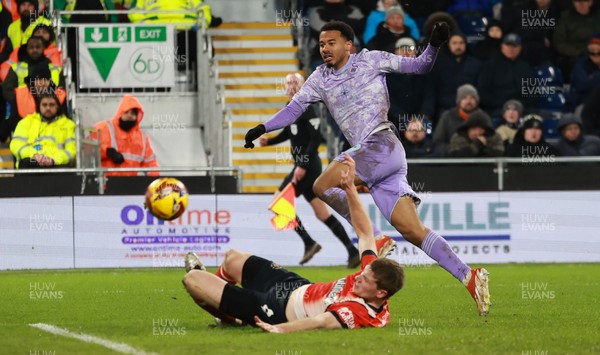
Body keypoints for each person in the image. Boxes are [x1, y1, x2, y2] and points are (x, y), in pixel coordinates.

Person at [244, 21, 491, 316]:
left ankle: (372, 237)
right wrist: (262, 127)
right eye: (322, 44)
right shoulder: (320, 78)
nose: (325, 49)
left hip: (379, 144)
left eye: (331, 42)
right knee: (413, 231)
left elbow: (421, 66)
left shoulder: (371, 59)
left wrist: (434, 45)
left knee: (321, 186)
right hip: (384, 158)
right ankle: (469, 276)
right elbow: (293, 110)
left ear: (349, 44)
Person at [182, 153, 406, 331]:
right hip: (297, 287)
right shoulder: (370, 277)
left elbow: (320, 323)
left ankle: (231, 316)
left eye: (365, 280)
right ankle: (228, 314)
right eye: (363, 273)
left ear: (380, 294)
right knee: (233, 258)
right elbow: (365, 233)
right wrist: (349, 189)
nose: (360, 276)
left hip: (277, 311)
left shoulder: (359, 311)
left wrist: (282, 329)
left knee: (194, 280)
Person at [258, 73, 361, 268]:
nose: (292, 86)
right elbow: (290, 133)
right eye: (288, 83)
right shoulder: (291, 108)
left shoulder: (307, 107)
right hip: (305, 166)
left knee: (279, 203)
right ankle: (352, 251)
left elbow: (315, 139)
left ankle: (309, 243)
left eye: (295, 82)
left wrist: (302, 166)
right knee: (321, 213)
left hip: (309, 165)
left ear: (303, 84)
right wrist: (269, 141)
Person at [91, 95, 159, 176]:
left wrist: (154, 184)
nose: (129, 115)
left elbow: (151, 165)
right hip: (105, 185)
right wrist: (107, 152)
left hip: (130, 185)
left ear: (137, 116)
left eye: (133, 113)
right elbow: (87, 151)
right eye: (126, 112)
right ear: (120, 112)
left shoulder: (142, 137)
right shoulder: (103, 128)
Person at [9, 93, 75, 168]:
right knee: (26, 163)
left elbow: (71, 151)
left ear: (58, 107)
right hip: (32, 162)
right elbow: (16, 145)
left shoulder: (69, 125)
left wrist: (52, 160)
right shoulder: (26, 122)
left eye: (52, 105)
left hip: (56, 164)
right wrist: (35, 155)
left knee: (65, 169)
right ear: (39, 106)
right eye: (44, 105)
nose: (48, 108)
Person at [429, 32, 482, 122]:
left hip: (470, 108)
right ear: (448, 44)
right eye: (454, 43)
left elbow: (480, 88)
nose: (458, 46)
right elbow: (432, 90)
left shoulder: (475, 64)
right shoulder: (438, 64)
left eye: (461, 43)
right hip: (445, 109)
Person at [477, 33, 534, 116]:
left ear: (520, 48)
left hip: (522, 109)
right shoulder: (490, 65)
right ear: (502, 46)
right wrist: (502, 105)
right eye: (508, 45)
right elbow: (483, 92)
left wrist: (518, 106)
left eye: (514, 46)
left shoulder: (525, 67)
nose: (511, 49)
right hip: (496, 109)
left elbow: (532, 93)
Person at [386, 37, 435, 127]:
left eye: (410, 49)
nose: (406, 52)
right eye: (402, 49)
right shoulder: (388, 75)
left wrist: (420, 119)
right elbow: (388, 102)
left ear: (416, 52)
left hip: (421, 119)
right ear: (395, 53)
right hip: (395, 119)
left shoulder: (425, 73)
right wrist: (405, 120)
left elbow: (429, 98)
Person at [433, 84, 491, 154]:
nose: (468, 101)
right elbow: (438, 143)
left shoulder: (484, 117)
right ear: (459, 101)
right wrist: (456, 149)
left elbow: (491, 142)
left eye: (472, 98)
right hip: (453, 159)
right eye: (464, 98)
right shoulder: (447, 116)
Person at [553, 0, 600, 80]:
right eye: (578, 1)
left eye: (584, 1)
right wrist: (577, 52)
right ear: (573, 3)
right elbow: (559, 42)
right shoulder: (565, 17)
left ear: (590, 2)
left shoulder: (598, 16)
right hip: (574, 55)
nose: (581, 4)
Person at [568, 33, 600, 109]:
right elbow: (582, 85)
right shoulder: (581, 64)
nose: (595, 54)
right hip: (584, 105)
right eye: (592, 52)